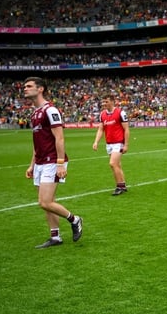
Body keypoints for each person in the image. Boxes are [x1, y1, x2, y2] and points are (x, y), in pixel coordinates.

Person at [23, 77, 83, 249]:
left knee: (45, 201)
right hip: (40, 162)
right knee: (46, 202)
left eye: (29, 86)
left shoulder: (50, 110)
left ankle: (75, 219)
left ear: (40, 89)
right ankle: (55, 236)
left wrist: (60, 163)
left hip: (52, 160)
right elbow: (37, 143)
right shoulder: (34, 113)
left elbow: (60, 138)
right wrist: (32, 164)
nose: (25, 89)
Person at [92, 93, 130, 195]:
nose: (104, 103)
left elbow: (126, 129)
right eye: (103, 102)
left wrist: (126, 145)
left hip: (118, 142)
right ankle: (123, 185)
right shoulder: (102, 114)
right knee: (117, 165)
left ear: (112, 101)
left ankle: (119, 187)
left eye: (106, 101)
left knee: (112, 163)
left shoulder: (120, 113)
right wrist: (96, 142)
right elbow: (100, 129)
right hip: (109, 143)